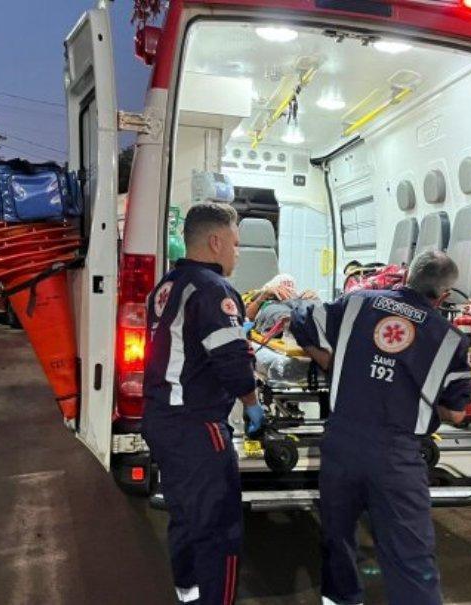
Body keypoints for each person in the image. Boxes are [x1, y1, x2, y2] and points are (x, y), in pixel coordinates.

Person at [290, 250, 471, 605]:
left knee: (337, 535)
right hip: (396, 457)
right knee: (410, 555)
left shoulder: (359, 302)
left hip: (342, 444)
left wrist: (333, 362)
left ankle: (342, 599)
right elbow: (458, 413)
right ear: (445, 296)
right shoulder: (449, 339)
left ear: (405, 277)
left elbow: (301, 319)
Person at [141, 202, 265, 605]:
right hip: (198, 427)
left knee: (185, 515)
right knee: (220, 528)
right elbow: (232, 360)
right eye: (235, 242)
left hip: (161, 418)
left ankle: (187, 591)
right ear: (216, 241)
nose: (237, 252)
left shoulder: (168, 285)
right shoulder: (213, 289)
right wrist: (251, 402)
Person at [245, 273, 319, 336]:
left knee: (313, 305)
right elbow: (248, 316)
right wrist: (265, 294)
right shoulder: (264, 299)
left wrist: (313, 298)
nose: (287, 289)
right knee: (278, 313)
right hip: (277, 310)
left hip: (296, 307)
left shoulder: (297, 300)